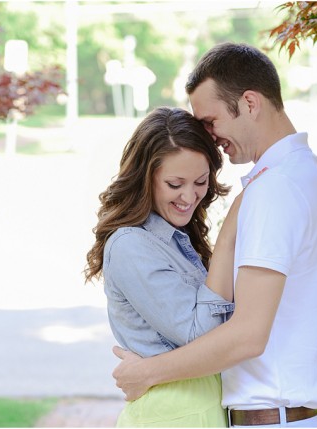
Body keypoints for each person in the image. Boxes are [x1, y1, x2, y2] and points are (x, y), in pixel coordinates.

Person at [111, 42, 317, 428]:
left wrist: (148, 373)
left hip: (274, 418)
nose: (208, 135)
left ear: (250, 103)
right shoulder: (302, 174)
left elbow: (247, 336)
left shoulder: (275, 189)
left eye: (210, 120)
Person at [85, 106, 244, 427]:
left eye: (200, 181)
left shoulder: (177, 239)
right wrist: (228, 240)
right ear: (146, 179)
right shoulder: (132, 246)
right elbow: (200, 336)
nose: (190, 195)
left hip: (194, 407)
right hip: (173, 412)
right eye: (175, 184)